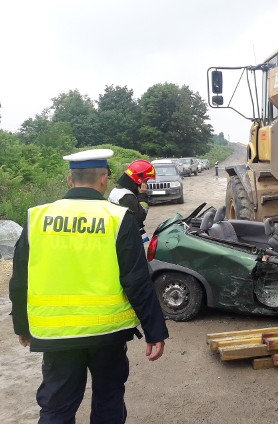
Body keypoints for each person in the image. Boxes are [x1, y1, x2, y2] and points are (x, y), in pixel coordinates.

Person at [9, 148, 168, 424]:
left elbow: (20, 277)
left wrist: (22, 325)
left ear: (70, 180)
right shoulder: (118, 218)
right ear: (104, 179)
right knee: (108, 400)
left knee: (56, 408)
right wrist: (154, 330)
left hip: (56, 334)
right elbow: (137, 280)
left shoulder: (36, 218)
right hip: (108, 332)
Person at [108, 159, 156, 243]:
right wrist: (142, 195)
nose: (146, 184)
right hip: (127, 240)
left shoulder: (117, 190)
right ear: (139, 181)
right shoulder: (126, 197)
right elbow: (140, 217)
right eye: (145, 181)